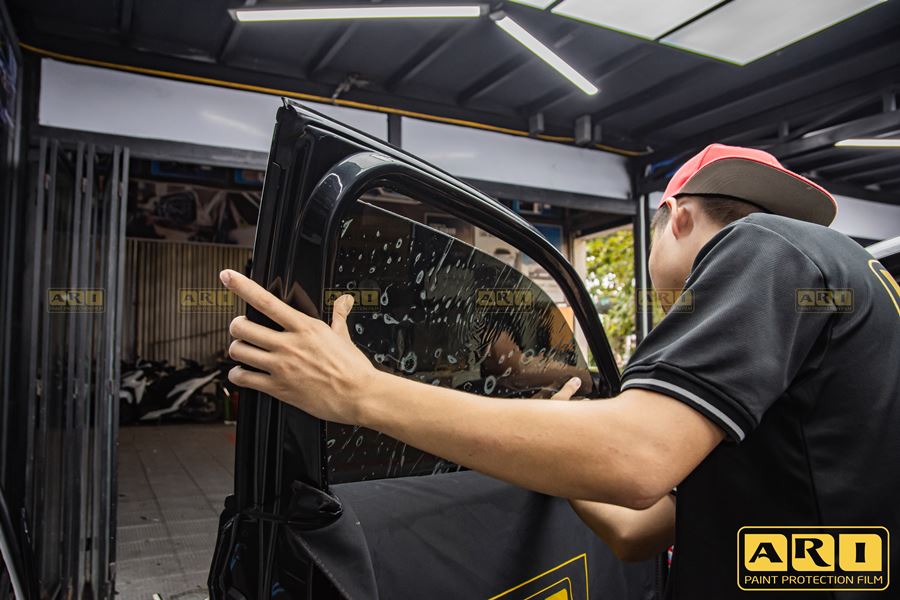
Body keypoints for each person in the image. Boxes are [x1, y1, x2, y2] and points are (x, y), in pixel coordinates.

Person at [219, 144, 899, 598]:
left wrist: (360, 392)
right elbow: (638, 530)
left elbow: (636, 456)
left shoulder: (762, 245)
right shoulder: (841, 278)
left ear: (675, 217)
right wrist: (553, 434)